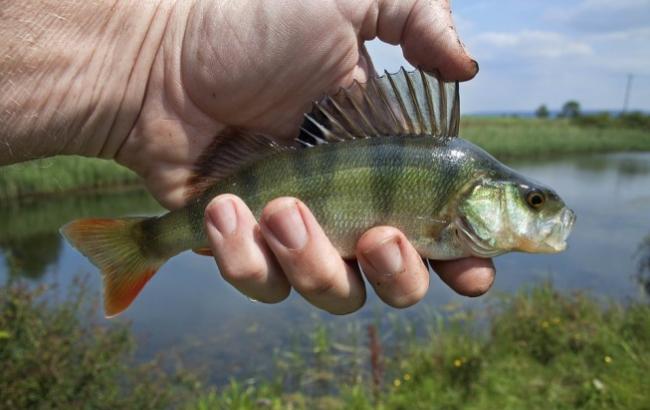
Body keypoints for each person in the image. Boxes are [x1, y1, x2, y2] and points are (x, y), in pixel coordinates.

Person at [1, 0, 495, 314]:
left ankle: (148, 243)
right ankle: (145, 243)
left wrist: (150, 58)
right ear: (483, 194)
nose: (545, 212)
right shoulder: (451, 174)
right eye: (533, 202)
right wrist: (154, 54)